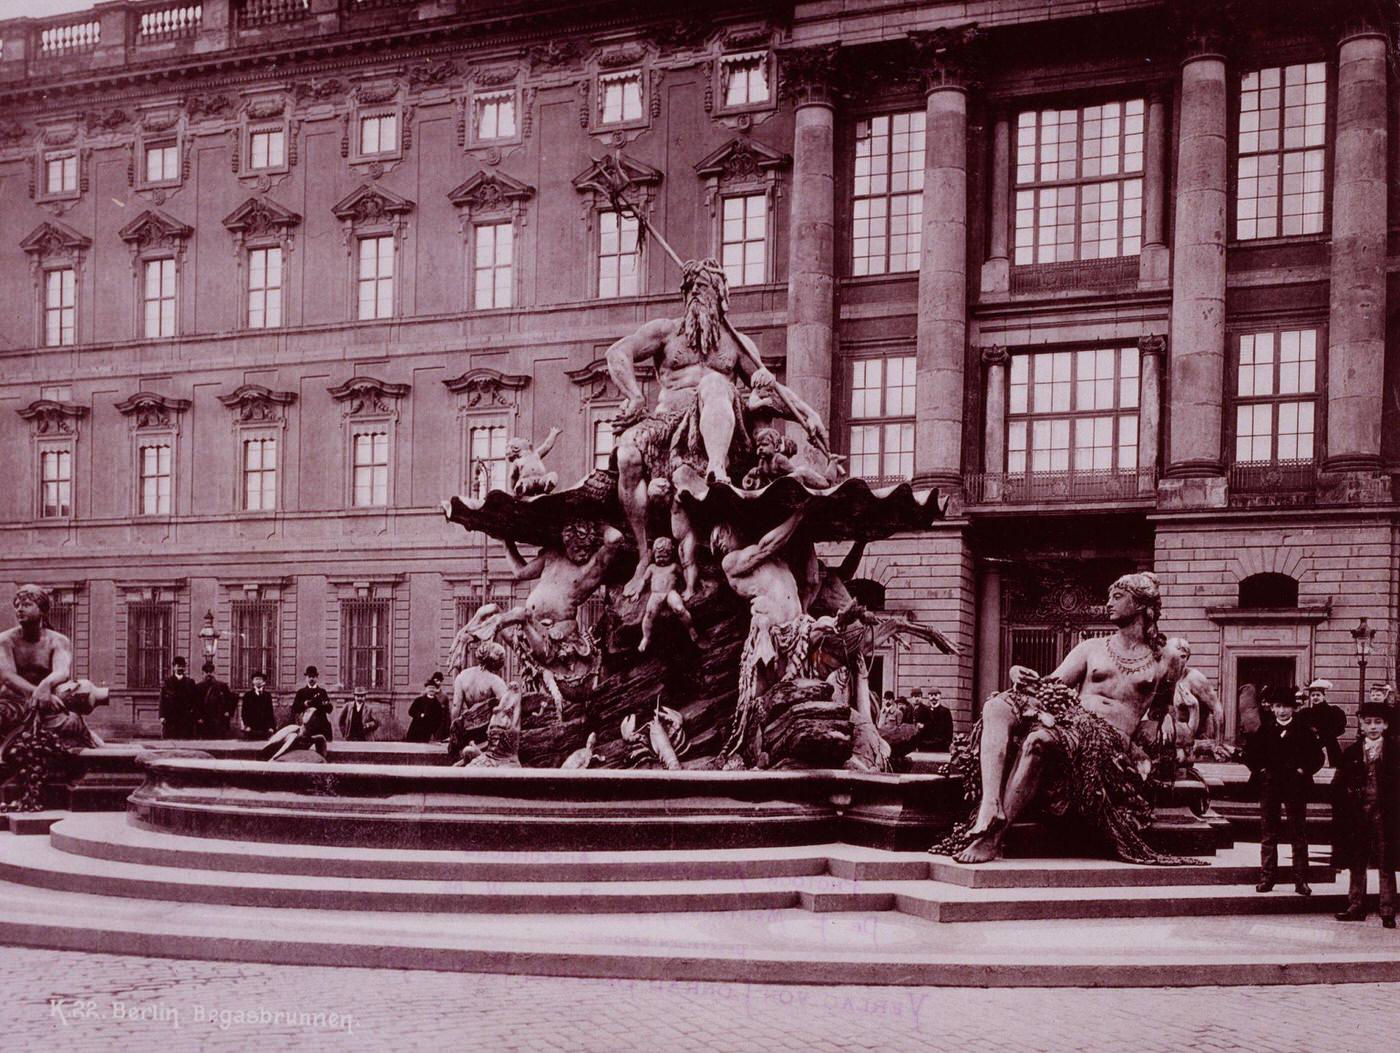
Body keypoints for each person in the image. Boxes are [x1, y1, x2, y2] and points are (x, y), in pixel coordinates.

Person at [606, 258, 828, 597]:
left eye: (705, 286)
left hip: (720, 427)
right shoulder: (666, 332)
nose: (696, 291)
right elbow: (616, 353)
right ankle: (643, 554)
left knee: (715, 385)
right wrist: (635, 396)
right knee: (625, 454)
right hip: (666, 424)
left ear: (721, 297)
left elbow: (769, 390)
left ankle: (716, 470)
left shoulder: (736, 345)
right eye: (691, 287)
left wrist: (807, 411)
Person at [935, 572, 1190, 865]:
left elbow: (1162, 708)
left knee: (1039, 740)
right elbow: (1051, 686)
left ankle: (993, 838)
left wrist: (1161, 722)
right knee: (997, 706)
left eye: (1117, 597)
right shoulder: (1091, 647)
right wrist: (1017, 673)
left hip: (1108, 738)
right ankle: (991, 805)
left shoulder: (1165, 657)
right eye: (1109, 597)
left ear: (1142, 605)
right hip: (1072, 719)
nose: (1108, 604)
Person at [0, 585, 104, 810]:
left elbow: (62, 671)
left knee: (71, 723)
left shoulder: (58, 640)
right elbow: (7, 676)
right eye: (17, 605)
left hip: (49, 705)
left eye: (27, 604)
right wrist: (35, 694)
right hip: (13, 703)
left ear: (43, 610)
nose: (19, 609)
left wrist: (45, 687)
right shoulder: (5, 640)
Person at [1243, 687, 1323, 896]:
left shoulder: (1304, 730)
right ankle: (1267, 877)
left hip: (1296, 786)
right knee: (1269, 833)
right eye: (1278, 706)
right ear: (1272, 708)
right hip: (1270, 786)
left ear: (1294, 708)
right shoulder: (1265, 729)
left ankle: (1301, 880)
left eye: (1286, 706)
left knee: (1298, 833)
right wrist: (1261, 771)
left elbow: (1317, 757)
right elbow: (1250, 754)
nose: (1282, 711)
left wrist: (1302, 770)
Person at [1333, 701, 1398, 928]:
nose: (1373, 727)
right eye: (1368, 722)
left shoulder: (1396, 753)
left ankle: (1388, 909)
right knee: (1357, 860)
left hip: (1386, 815)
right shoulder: (1351, 752)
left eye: (1378, 723)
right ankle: (1355, 905)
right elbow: (1338, 785)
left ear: (1386, 725)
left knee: (1386, 862)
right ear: (1360, 724)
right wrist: (1350, 795)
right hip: (1358, 816)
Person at [449, 641, 510, 759]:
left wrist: (454, 735)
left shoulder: (462, 676)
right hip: (487, 733)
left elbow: (456, 708)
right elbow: (506, 708)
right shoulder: (495, 680)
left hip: (468, 731)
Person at [638, 537, 698, 652]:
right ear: (654, 554)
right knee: (649, 614)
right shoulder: (652, 568)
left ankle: (691, 628)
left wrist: (688, 587)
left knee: (680, 609)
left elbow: (685, 575)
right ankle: (646, 637)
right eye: (658, 556)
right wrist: (638, 592)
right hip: (656, 594)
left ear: (670, 554)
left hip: (670, 592)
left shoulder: (674, 567)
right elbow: (643, 581)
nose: (661, 559)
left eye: (665, 556)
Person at [1300, 678, 1345, 768]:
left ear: (1323, 696)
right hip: (1311, 747)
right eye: (1313, 695)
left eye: (1318, 695)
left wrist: (1325, 734)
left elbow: (1340, 728)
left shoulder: (1333, 711)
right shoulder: (1305, 713)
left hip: (1330, 746)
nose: (1315, 697)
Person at [159, 656, 201, 739]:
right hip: (171, 717)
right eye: (178, 666)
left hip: (186, 717)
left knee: (186, 740)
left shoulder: (190, 682)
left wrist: (197, 716)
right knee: (171, 741)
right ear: (174, 667)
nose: (181, 668)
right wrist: (162, 716)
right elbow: (162, 700)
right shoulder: (167, 682)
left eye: (183, 666)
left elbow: (195, 701)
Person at [292, 666, 334, 742]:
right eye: (309, 677)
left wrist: (325, 705)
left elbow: (329, 709)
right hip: (306, 727)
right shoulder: (301, 692)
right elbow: (294, 708)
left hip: (321, 726)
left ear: (317, 677)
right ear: (306, 678)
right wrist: (304, 704)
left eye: (313, 677)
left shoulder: (322, 692)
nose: (311, 679)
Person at [195, 660, 235, 738]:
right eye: (206, 672)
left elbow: (229, 700)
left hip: (219, 719)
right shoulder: (198, 687)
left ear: (214, 673)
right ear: (203, 673)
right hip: (204, 719)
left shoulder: (222, 686)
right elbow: (196, 703)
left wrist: (227, 712)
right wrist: (198, 717)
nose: (209, 674)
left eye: (211, 672)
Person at [406, 678, 447, 743]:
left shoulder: (438, 704)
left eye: (433, 688)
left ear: (436, 690)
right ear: (426, 689)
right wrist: (420, 715)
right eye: (429, 688)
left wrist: (434, 731)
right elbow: (411, 711)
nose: (431, 689)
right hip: (416, 731)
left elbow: (440, 719)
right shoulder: (419, 700)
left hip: (429, 733)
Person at [239, 670, 276, 739]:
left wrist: (271, 727)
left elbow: (270, 713)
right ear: (253, 681)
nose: (258, 681)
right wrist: (246, 726)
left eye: (260, 679)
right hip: (251, 728)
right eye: (256, 679)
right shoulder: (247, 695)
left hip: (264, 729)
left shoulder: (267, 695)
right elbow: (244, 713)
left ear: (263, 682)